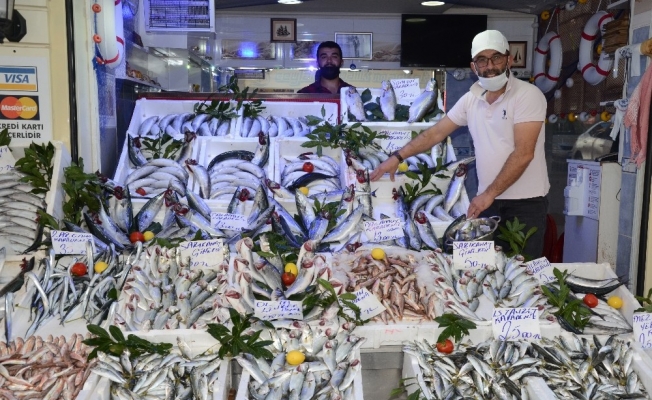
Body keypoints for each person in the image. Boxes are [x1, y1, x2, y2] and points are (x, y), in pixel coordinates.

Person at [370, 30, 550, 258]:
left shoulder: (528, 95)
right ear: (474, 67)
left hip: (525, 205)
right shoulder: (471, 99)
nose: (490, 66)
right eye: (482, 60)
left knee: (523, 269)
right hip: (489, 202)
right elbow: (436, 133)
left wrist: (488, 194)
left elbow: (524, 153)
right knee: (488, 269)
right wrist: (397, 157)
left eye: (496, 57)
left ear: (509, 59)